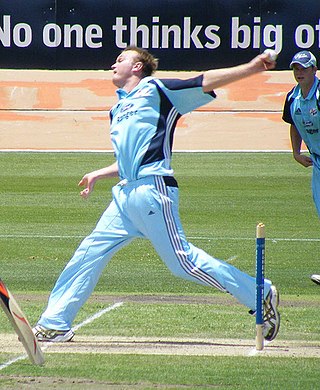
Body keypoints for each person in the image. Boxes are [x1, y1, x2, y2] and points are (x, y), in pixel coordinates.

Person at [33, 46, 280, 342]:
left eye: (121, 59)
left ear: (138, 68)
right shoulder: (117, 108)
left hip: (153, 190)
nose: (114, 64)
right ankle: (55, 322)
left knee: (183, 264)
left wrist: (252, 67)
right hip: (125, 196)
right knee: (89, 252)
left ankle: (259, 293)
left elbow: (203, 81)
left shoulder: (156, 89)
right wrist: (100, 173)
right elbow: (131, 157)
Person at [282, 50, 320, 286]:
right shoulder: (292, 97)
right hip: (317, 162)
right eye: (296, 68)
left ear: (315, 70)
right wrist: (296, 153)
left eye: (304, 68)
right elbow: (294, 125)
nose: (299, 72)